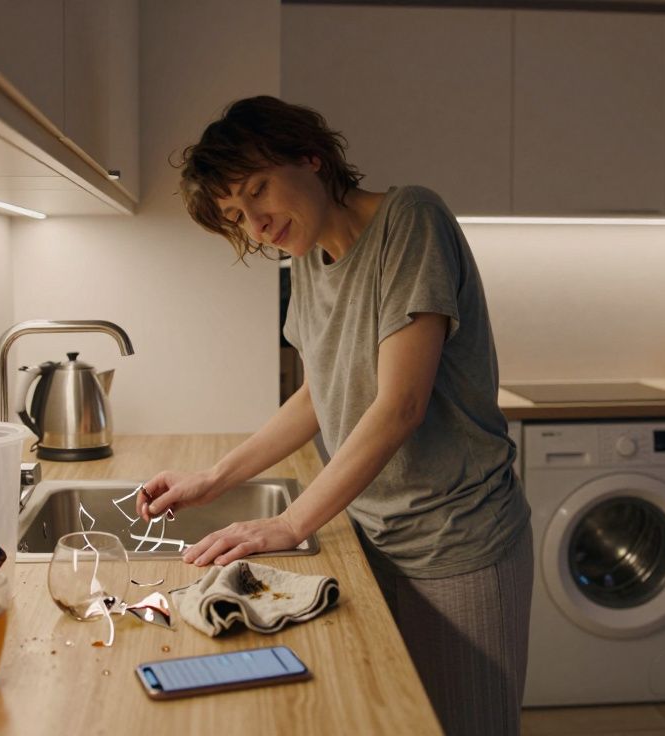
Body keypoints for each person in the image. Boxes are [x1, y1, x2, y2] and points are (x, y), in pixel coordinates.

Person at [138, 96, 533, 736]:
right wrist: (213, 479)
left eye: (257, 191)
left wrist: (292, 523)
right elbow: (319, 393)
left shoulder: (412, 220)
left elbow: (401, 404)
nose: (258, 225)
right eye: (238, 216)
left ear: (309, 156)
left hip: (458, 542)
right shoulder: (307, 258)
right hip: (374, 533)